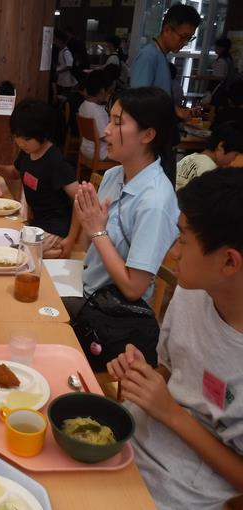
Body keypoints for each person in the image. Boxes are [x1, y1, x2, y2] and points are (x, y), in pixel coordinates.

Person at [107, 167, 243, 510]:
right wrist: (144, 377)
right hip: (133, 437)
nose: (172, 252)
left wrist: (171, 413)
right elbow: (171, 368)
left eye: (182, 240)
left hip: (179, 490)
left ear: (229, 261)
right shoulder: (193, 291)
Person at [67, 87, 180, 366]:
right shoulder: (116, 174)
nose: (106, 131)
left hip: (113, 319)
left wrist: (96, 230)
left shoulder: (155, 201)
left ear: (148, 135)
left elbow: (134, 288)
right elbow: (89, 250)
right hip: (87, 292)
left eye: (118, 122)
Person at [0, 99, 78, 259]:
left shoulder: (55, 161)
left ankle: (52, 252)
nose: (20, 143)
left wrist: (71, 238)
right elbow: (15, 172)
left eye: (26, 139)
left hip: (55, 229)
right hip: (37, 225)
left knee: (12, 253)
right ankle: (46, 253)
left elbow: (80, 199)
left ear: (44, 134)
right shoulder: (28, 152)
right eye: (16, 136)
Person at [130, 3, 200, 121]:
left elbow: (158, 100)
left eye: (189, 38)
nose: (185, 43)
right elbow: (138, 102)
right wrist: (176, 110)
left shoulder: (160, 56)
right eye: (183, 37)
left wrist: (179, 110)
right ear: (167, 30)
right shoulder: (148, 56)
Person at [176, 121, 243, 190]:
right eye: (235, 155)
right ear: (221, 146)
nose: (233, 159)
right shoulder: (210, 171)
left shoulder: (189, 158)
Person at [78, 69, 110, 161]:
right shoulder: (98, 111)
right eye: (109, 91)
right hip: (100, 152)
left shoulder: (83, 105)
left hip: (85, 149)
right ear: (103, 91)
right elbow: (105, 137)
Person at [53, 29, 78, 95]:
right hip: (62, 79)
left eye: (55, 40)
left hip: (66, 80)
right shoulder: (61, 51)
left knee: (65, 96)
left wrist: (59, 71)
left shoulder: (66, 52)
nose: (54, 42)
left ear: (60, 41)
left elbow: (69, 66)